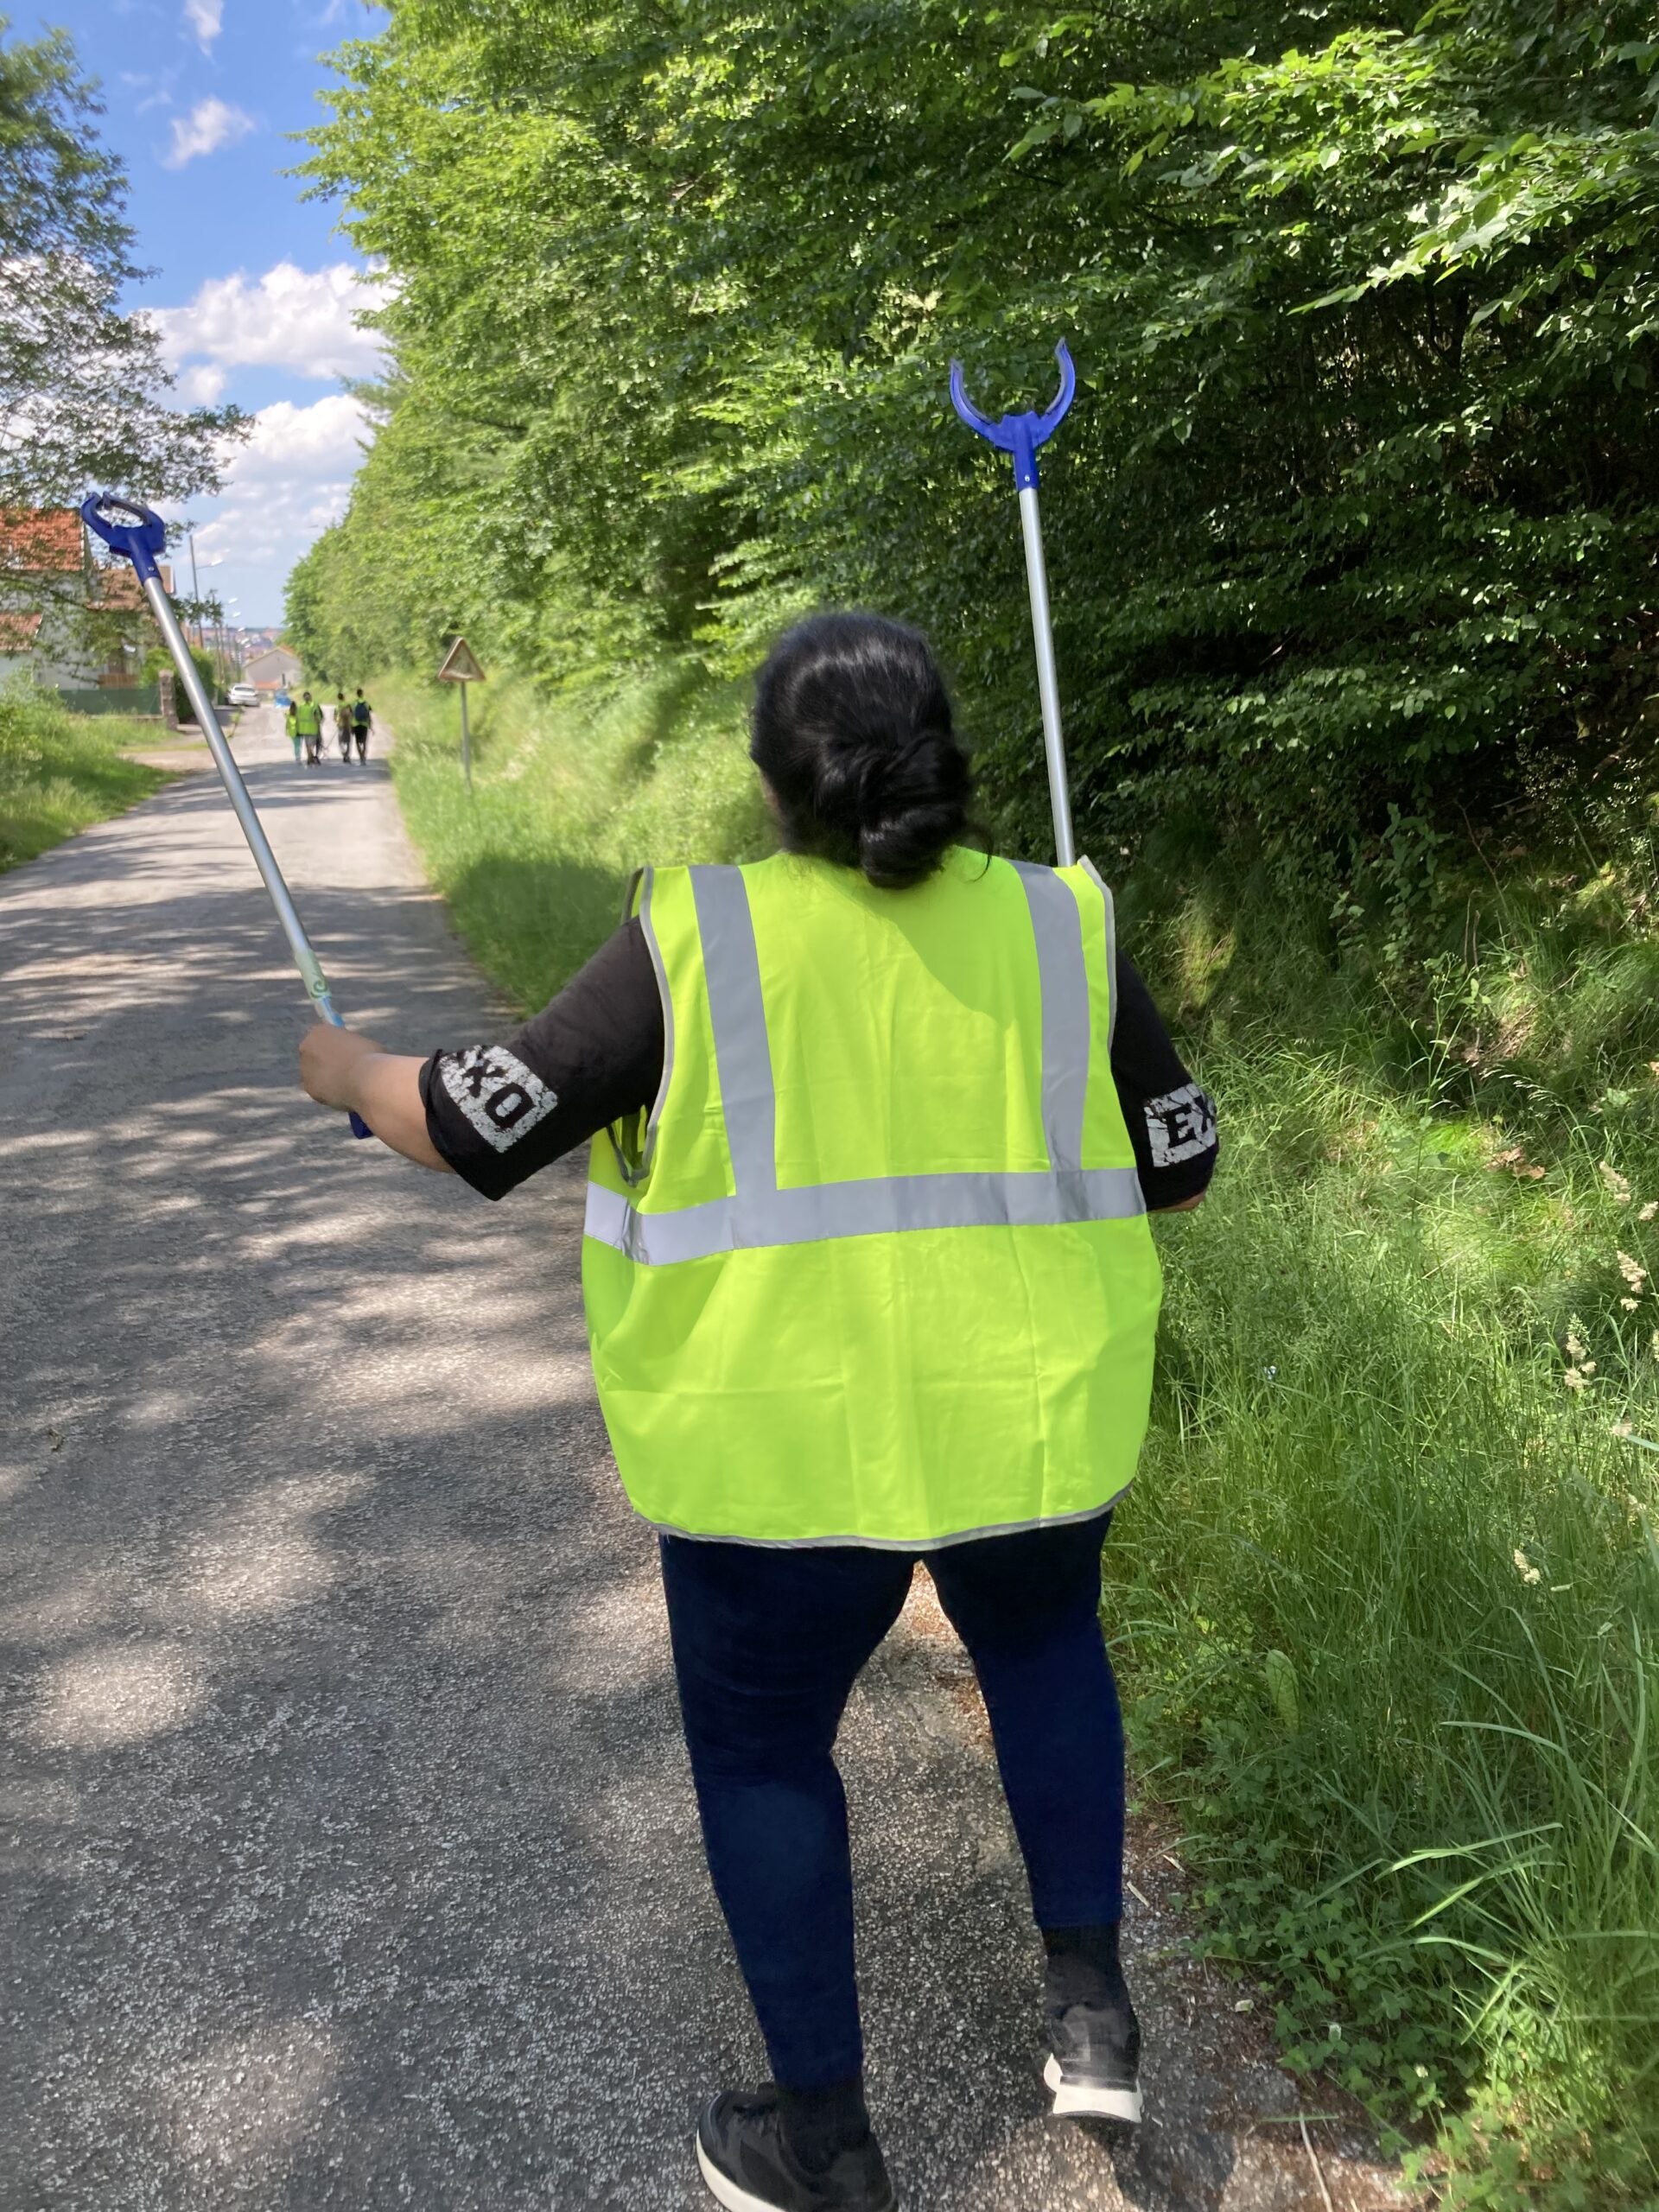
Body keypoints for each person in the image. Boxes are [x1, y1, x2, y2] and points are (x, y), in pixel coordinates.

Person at [297, 613, 1218, 2212]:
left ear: (771, 779)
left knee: (767, 1752)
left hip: (778, 1455)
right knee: (1045, 1654)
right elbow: (1184, 1163)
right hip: (1029, 1422)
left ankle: (826, 2144)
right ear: (943, 754)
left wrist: (343, 1069)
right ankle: (1092, 2013)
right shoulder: (1060, 920)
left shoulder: (697, 935)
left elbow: (473, 1125)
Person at [293, 690, 324, 766]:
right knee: (311, 746)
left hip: (304, 730)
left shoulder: (300, 706)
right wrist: (318, 721)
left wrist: (297, 728)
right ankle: (310, 759)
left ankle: (310, 758)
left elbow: (297, 718)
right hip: (313, 729)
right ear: (310, 697)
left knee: (308, 745)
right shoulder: (314, 705)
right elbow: (320, 717)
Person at [350, 687, 372, 761]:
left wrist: (351, 726)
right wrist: (370, 724)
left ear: (357, 694)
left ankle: (361, 756)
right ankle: (363, 755)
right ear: (362, 694)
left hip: (356, 724)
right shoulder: (366, 703)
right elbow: (369, 715)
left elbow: (351, 715)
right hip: (364, 724)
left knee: (357, 742)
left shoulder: (354, 703)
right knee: (364, 742)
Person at [335, 691, 353, 761]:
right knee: (348, 741)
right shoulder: (348, 705)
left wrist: (337, 722)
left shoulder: (337, 706)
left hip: (340, 725)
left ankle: (344, 754)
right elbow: (352, 715)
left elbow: (335, 717)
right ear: (344, 697)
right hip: (347, 725)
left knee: (341, 741)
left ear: (338, 698)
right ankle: (347, 755)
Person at [283, 696, 300, 766]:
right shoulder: (298, 714)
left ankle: (297, 757)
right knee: (298, 745)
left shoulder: (289, 714)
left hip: (291, 732)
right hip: (298, 731)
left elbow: (287, 723)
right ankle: (298, 757)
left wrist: (286, 730)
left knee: (295, 745)